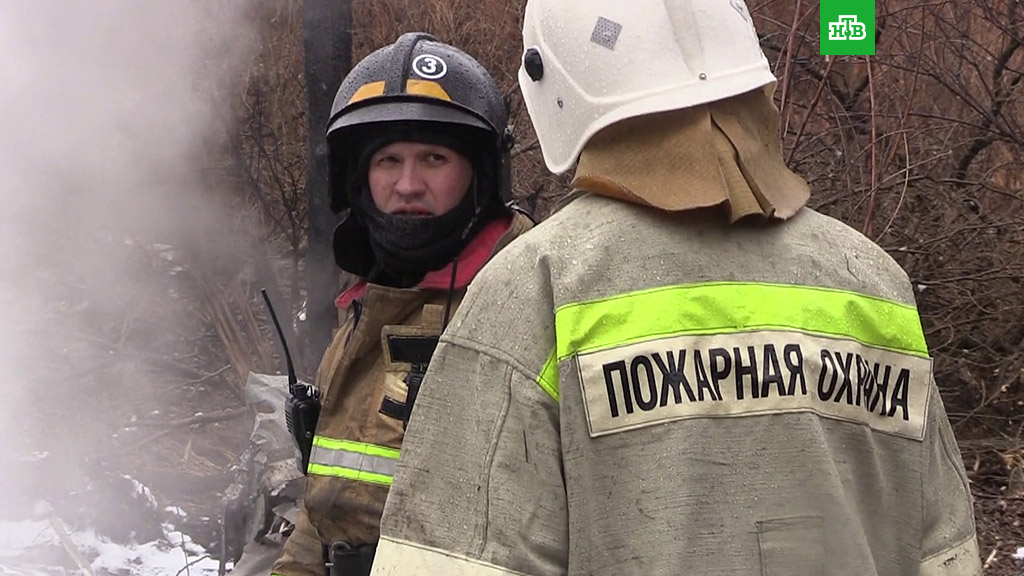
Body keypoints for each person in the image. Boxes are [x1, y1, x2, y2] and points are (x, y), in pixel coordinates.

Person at [369, 1, 984, 575]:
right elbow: (946, 553)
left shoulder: (535, 284)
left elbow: (451, 558)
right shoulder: (871, 278)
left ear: (553, 79)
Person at [268, 32, 533, 576]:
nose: (407, 184)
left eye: (434, 158)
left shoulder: (522, 298)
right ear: (358, 178)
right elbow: (326, 510)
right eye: (388, 159)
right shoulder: (368, 307)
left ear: (482, 173)